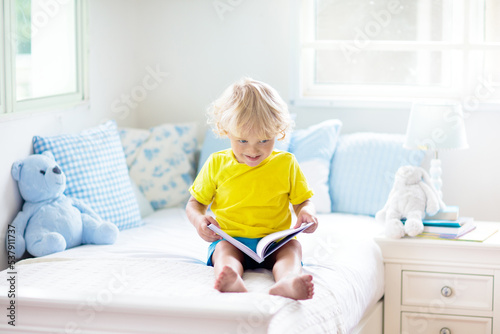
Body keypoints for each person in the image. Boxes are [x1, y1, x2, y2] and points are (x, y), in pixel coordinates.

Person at [186, 78, 318, 300]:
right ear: (226, 131)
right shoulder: (217, 164)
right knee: (224, 253)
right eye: (243, 141)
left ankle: (287, 281)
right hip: (232, 239)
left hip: (275, 242)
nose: (253, 150)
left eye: (265, 140)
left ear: (279, 132)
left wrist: (307, 213)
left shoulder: (286, 164)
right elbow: (194, 204)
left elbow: (303, 201)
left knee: (293, 250)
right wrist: (200, 221)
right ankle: (230, 278)